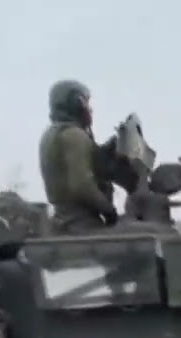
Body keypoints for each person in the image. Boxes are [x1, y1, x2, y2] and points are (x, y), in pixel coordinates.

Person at [38, 80, 119, 233]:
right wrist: (109, 210)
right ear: (77, 103)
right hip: (81, 223)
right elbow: (82, 185)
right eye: (86, 103)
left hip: (62, 220)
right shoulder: (75, 135)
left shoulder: (52, 133)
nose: (90, 109)